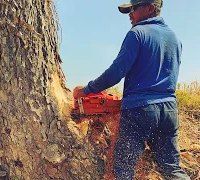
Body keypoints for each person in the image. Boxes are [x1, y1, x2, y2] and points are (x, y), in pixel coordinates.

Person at [73, 0, 190, 179]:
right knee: (172, 169)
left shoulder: (137, 34)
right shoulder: (175, 38)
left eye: (134, 9)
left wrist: (87, 90)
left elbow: (116, 72)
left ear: (151, 8)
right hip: (169, 110)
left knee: (123, 171)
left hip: (140, 110)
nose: (130, 14)